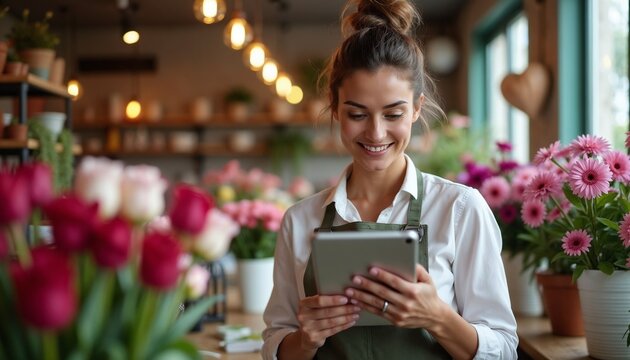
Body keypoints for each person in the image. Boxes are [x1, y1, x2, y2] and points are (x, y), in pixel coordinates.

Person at [262, 0, 518, 358]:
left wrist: (438, 317)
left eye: (393, 113)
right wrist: (305, 339)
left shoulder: (460, 209)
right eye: (356, 114)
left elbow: (504, 349)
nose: (376, 133)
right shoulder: (299, 220)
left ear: (416, 108)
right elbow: (276, 344)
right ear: (335, 107)